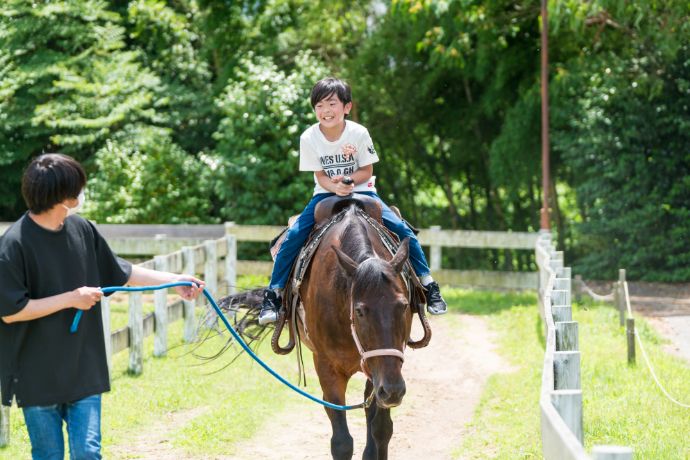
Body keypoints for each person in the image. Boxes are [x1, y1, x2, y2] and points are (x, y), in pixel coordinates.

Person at [0, 153, 205, 459]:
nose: (81, 195)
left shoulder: (82, 230)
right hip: (37, 375)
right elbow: (11, 311)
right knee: (47, 455)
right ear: (61, 195)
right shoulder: (13, 245)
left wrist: (173, 280)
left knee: (88, 453)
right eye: (77, 188)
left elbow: (122, 272)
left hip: (84, 367)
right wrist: (72, 299)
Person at [258, 77, 447, 325]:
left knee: (402, 230)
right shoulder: (309, 137)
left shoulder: (358, 133)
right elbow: (320, 176)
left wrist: (348, 181)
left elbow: (366, 172)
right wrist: (335, 187)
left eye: (332, 104)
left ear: (346, 107)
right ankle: (274, 294)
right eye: (319, 106)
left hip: (364, 192)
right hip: (325, 194)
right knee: (293, 236)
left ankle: (428, 284)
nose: (325, 111)